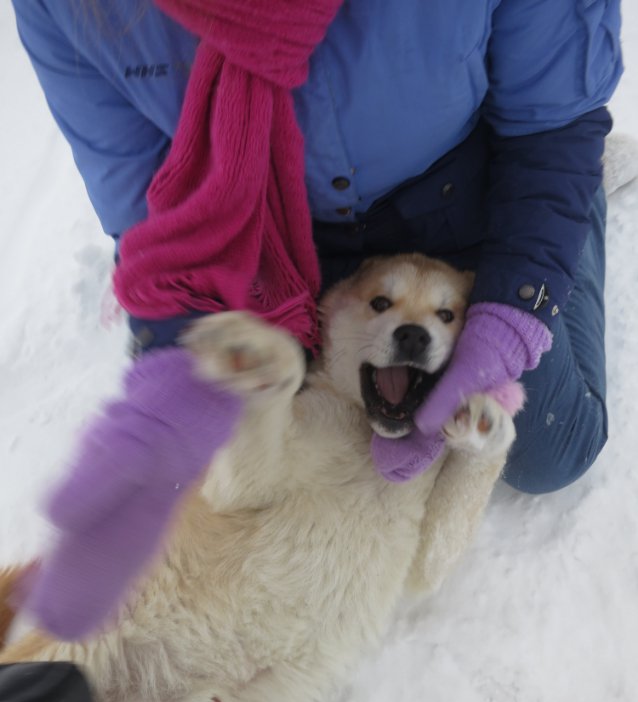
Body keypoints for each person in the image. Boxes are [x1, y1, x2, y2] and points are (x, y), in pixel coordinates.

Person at [8, 0, 622, 637]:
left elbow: (554, 123)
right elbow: (147, 203)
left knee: (550, 455)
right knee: (280, 430)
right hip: (271, 235)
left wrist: (518, 303)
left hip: (463, 196)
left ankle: (575, 228)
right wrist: (175, 354)